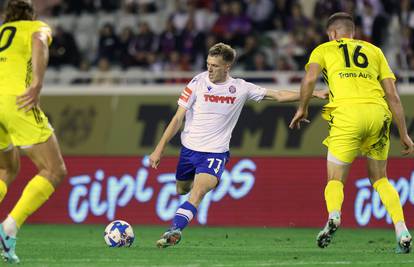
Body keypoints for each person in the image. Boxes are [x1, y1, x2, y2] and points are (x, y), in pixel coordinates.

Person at [149, 42, 327, 248]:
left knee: (196, 193)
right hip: (189, 151)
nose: (209, 69)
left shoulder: (240, 88)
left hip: (215, 153)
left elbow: (277, 95)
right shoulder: (196, 83)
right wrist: (158, 149)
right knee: (182, 189)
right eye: (208, 64)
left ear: (227, 67)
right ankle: (212, 182)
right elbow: (177, 119)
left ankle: (175, 230)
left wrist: (312, 94)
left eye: (215, 65)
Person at [289, 12, 414, 253]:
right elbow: (393, 96)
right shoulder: (375, 51)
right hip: (378, 114)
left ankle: (334, 216)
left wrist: (302, 108)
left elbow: (310, 79)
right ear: (353, 33)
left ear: (332, 34)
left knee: (335, 179)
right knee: (380, 178)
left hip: (347, 115)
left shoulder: (324, 49)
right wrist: (405, 134)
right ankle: (402, 229)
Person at [0, 0, 67, 263]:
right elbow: (40, 41)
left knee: (6, 169)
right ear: (31, 13)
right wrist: (37, 82)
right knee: (54, 170)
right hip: (16, 102)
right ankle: (9, 227)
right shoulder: (35, 26)